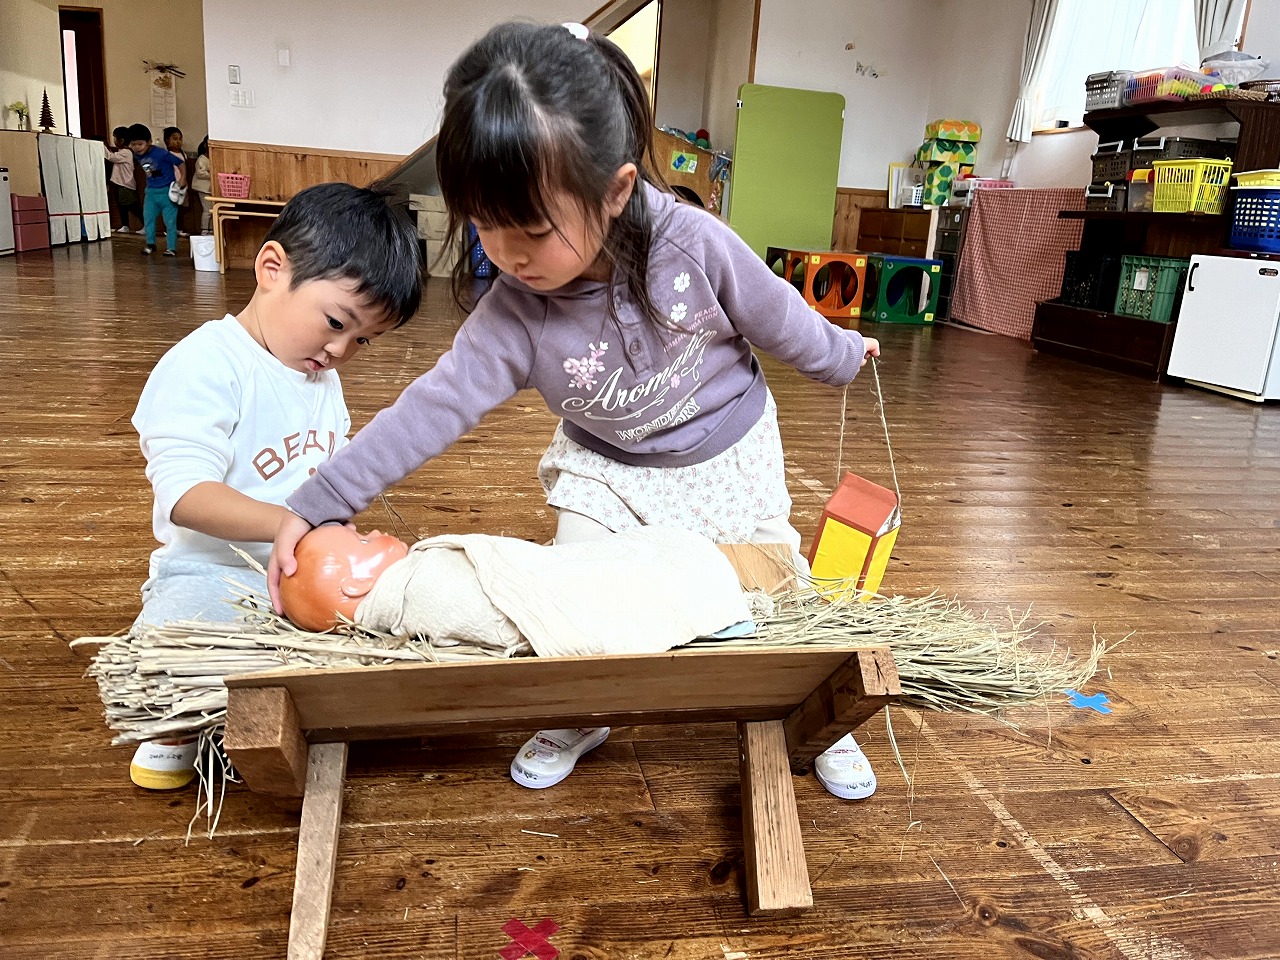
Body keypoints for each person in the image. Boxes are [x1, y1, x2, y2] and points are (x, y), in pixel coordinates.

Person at [267, 21, 881, 801]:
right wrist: (320, 500)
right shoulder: (514, 313)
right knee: (575, 593)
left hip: (726, 451)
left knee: (771, 588)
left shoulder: (694, 245)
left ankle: (820, 718)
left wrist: (840, 355)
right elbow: (432, 406)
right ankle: (582, 709)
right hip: (607, 469)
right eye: (483, 224)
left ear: (615, 190)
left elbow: (780, 315)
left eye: (530, 230)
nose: (505, 253)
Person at [128, 182, 422, 789]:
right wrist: (293, 524)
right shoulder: (206, 364)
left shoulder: (319, 377)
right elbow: (185, 495)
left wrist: (335, 524)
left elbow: (332, 470)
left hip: (306, 572)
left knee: (399, 622)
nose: (339, 350)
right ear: (271, 268)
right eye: (336, 323)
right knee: (177, 650)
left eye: (362, 340)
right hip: (215, 572)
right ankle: (185, 721)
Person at [127, 122, 185, 256]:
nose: (136, 148)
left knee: (170, 221)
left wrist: (183, 178)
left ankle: (171, 248)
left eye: (140, 144)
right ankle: (151, 244)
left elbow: (180, 163)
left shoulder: (161, 153)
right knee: (148, 219)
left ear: (149, 142)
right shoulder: (136, 155)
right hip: (151, 192)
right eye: (133, 144)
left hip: (167, 192)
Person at [105, 126, 138, 233]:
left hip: (126, 184)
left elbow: (111, 157)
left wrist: (102, 146)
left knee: (132, 206)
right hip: (121, 184)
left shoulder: (126, 152)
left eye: (114, 138)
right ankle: (125, 225)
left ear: (121, 140)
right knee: (122, 206)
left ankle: (147, 225)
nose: (113, 140)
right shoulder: (122, 151)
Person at [192, 136, 213, 234]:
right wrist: (212, 174)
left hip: (209, 188)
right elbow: (200, 173)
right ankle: (204, 230)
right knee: (207, 210)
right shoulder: (202, 159)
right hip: (203, 188)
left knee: (212, 210)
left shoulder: (212, 158)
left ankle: (211, 229)